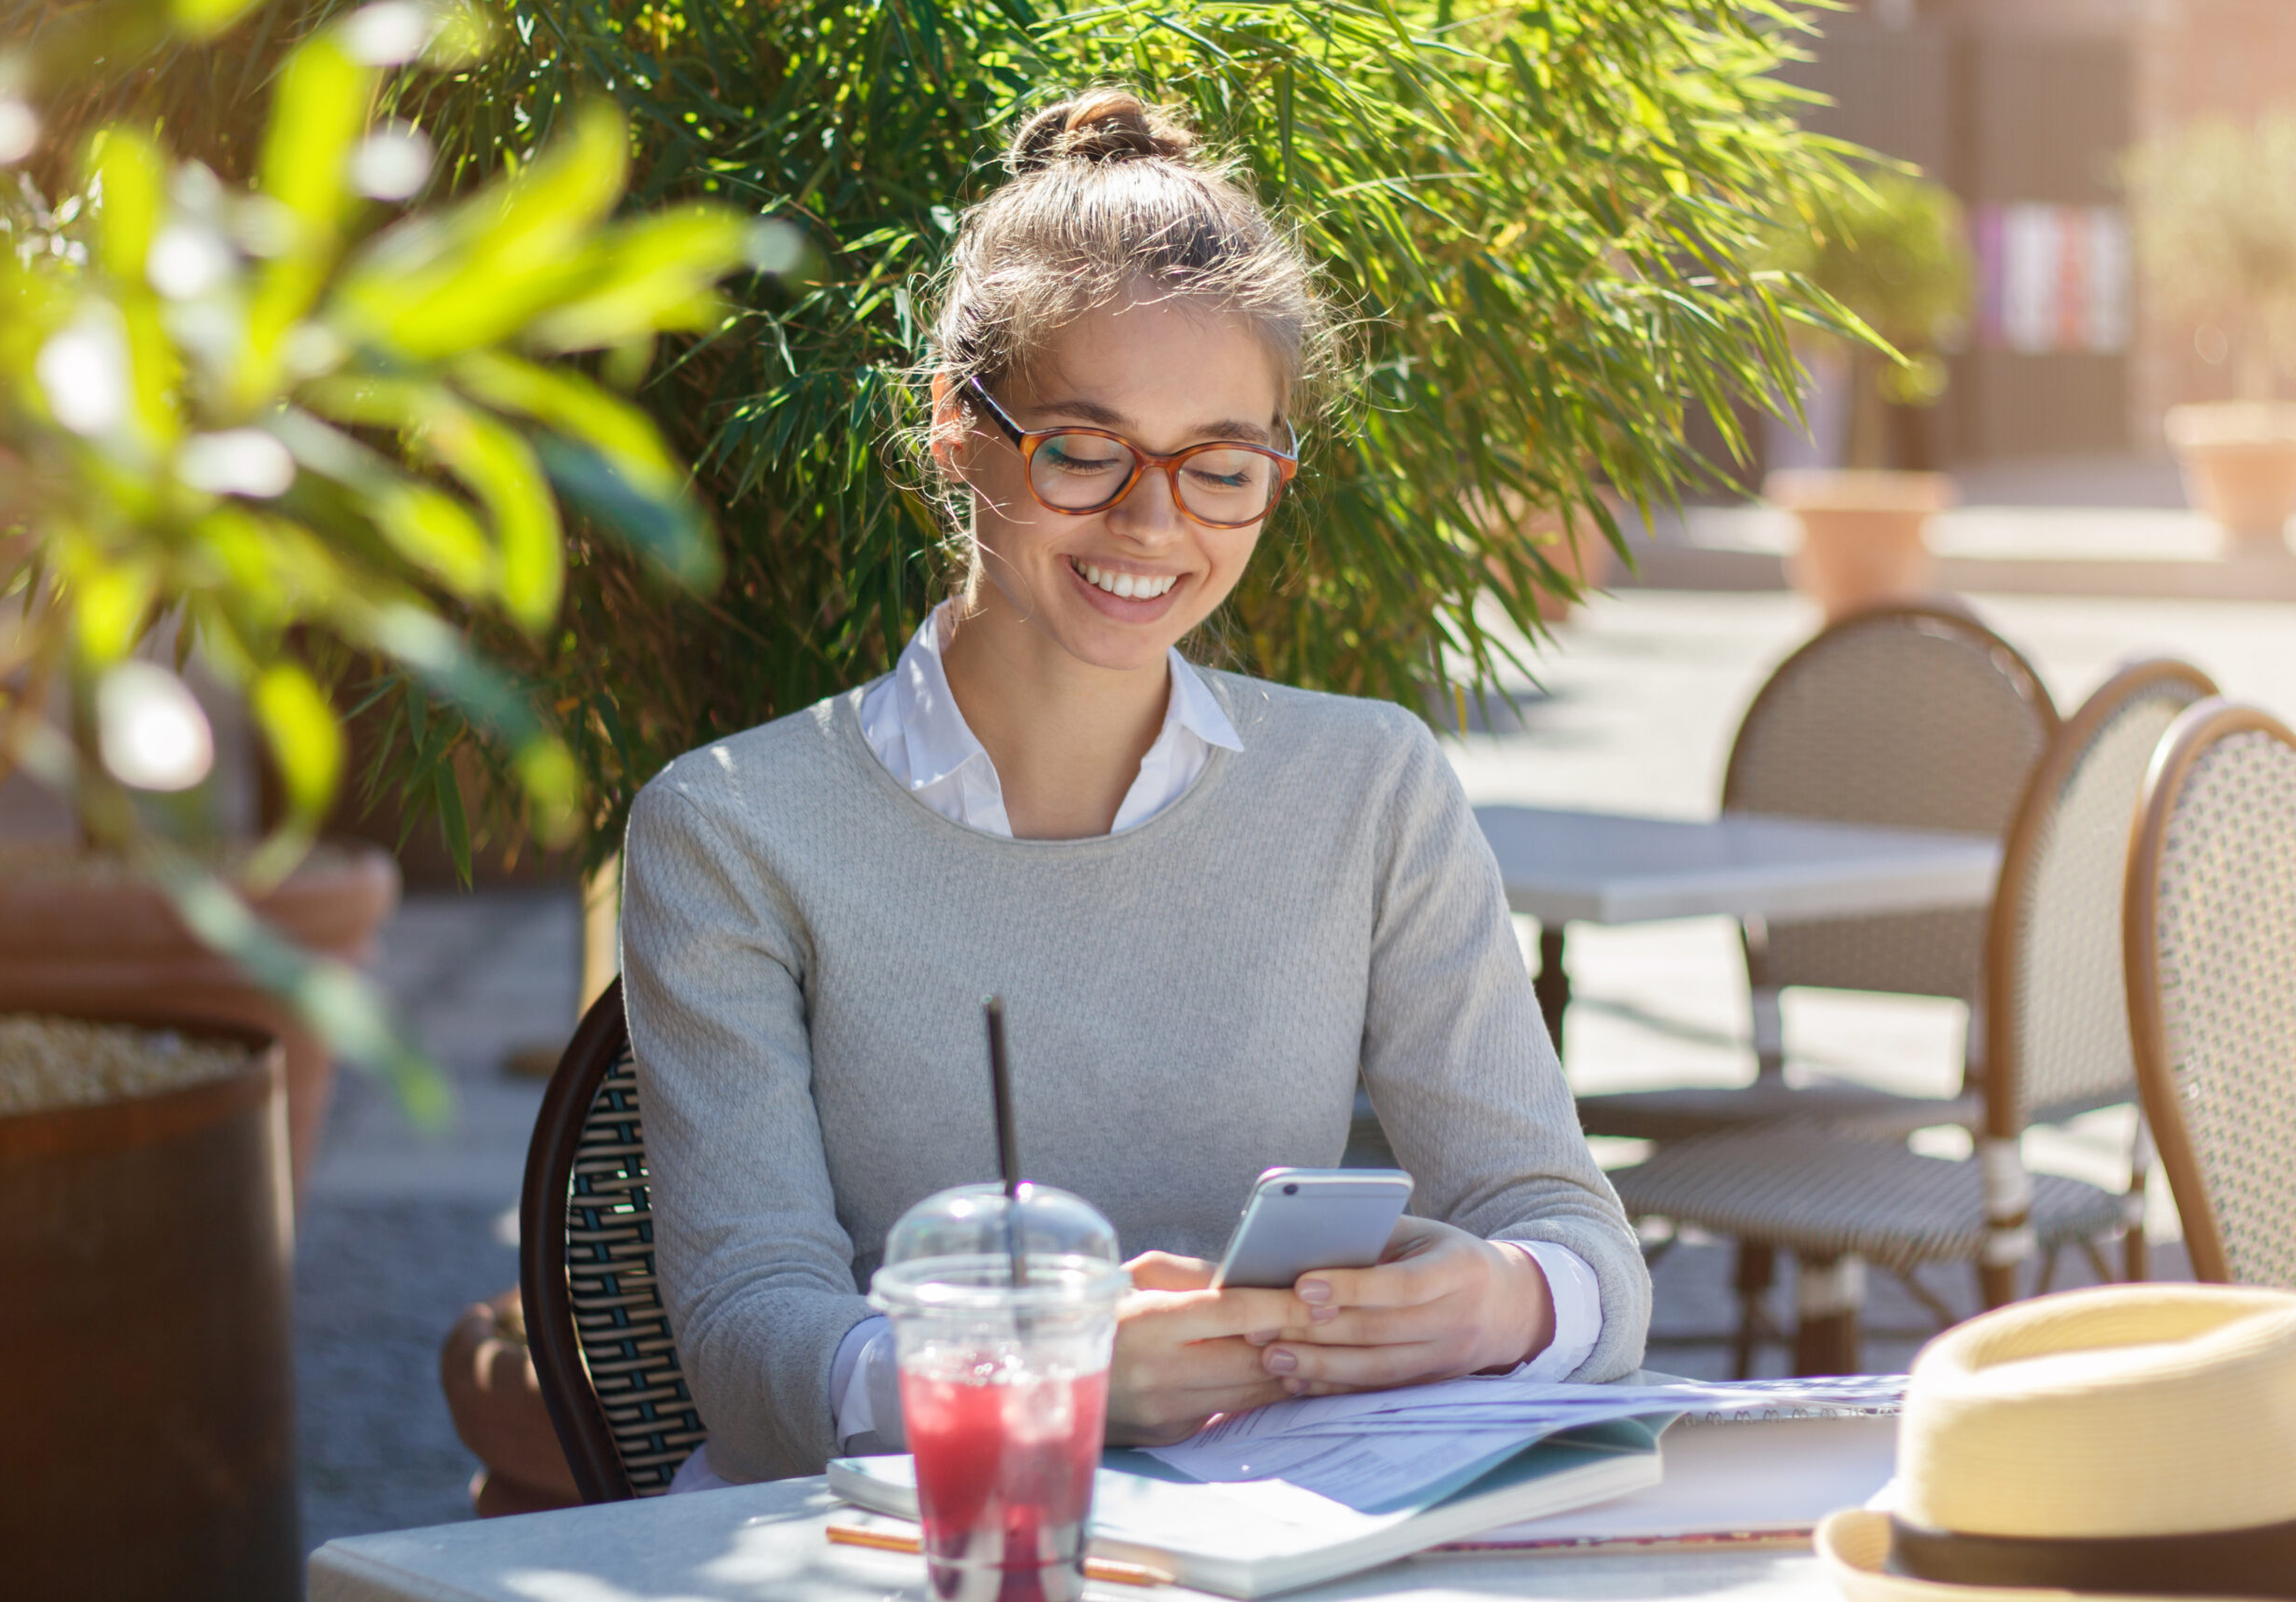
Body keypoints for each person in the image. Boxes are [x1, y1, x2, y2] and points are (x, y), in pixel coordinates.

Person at [621, 88, 1650, 1490]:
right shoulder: (734, 824)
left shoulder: (1369, 786)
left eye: (1222, 466)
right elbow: (748, 1342)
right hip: (909, 1547)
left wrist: (1500, 1298)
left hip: (1287, 1541)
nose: (1153, 521)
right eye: (1085, 449)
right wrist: (1041, 1382)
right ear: (955, 426)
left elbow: (1575, 1240)